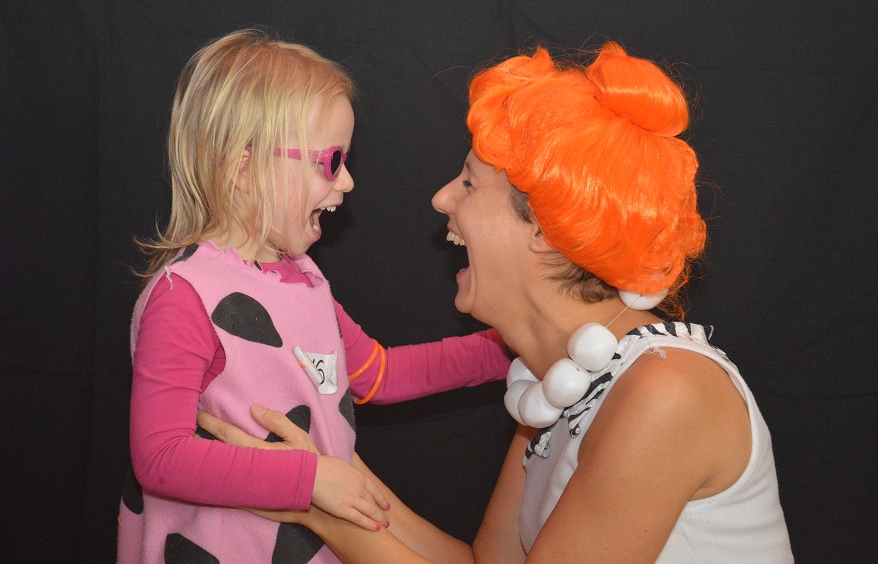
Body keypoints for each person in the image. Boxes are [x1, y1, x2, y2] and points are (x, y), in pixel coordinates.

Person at [201, 41, 794, 562]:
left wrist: (311, 505)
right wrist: (328, 467)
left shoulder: (667, 392)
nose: (441, 199)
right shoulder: (553, 384)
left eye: (468, 183)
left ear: (544, 229)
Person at [118, 29, 511, 564]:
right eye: (331, 161)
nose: (346, 182)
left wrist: (506, 350)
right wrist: (309, 479)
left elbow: (379, 374)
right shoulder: (184, 295)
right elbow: (160, 457)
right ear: (243, 168)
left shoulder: (303, 283)